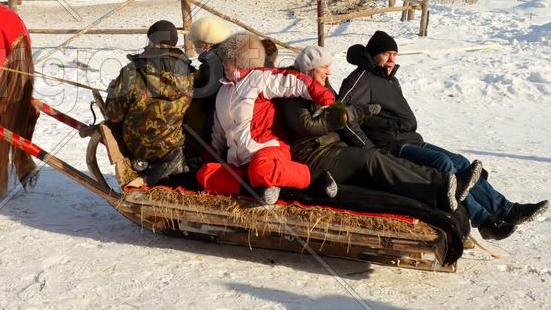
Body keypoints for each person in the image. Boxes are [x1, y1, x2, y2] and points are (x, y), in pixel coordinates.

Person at [339, 30, 549, 240]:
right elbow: (342, 113)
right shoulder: (362, 78)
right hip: (389, 145)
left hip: (410, 139)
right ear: (374, 54)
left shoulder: (390, 79)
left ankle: (507, 210)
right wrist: (369, 149)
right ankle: (484, 220)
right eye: (386, 53)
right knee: (443, 163)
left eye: (395, 53)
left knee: (461, 162)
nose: (392, 59)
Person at [278, 45, 477, 211]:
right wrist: (350, 113)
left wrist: (361, 128)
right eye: (325, 67)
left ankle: (446, 182)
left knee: (379, 155)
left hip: (334, 147)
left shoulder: (322, 86)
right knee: (371, 160)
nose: (329, 72)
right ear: (310, 68)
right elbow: (306, 125)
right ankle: (436, 194)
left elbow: (338, 112)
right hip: (313, 154)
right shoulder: (293, 91)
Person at [197, 33, 335, 204]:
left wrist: (324, 97)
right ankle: (260, 186)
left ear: (242, 60)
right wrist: (208, 157)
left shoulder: (259, 78)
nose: (223, 64)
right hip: (240, 163)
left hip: (267, 152)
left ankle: (315, 177)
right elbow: (218, 133)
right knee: (205, 174)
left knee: (262, 169)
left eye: (228, 60)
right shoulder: (223, 92)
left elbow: (293, 80)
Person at [104, 20, 194, 185]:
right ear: (173, 43)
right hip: (175, 147)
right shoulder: (189, 73)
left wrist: (113, 91)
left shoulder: (132, 72)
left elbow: (113, 115)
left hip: (139, 147)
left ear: (152, 41)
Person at [184, 16, 232, 159]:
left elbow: (205, 95)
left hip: (217, 117)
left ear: (206, 44)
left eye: (195, 42)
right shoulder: (226, 54)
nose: (194, 46)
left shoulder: (213, 62)